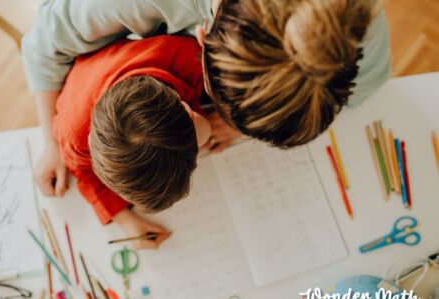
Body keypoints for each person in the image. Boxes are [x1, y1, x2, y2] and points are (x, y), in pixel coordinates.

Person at [22, 0, 390, 199]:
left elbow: (361, 92)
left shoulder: (353, 29)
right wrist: (52, 143)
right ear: (201, 39)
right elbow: (41, 47)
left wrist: (241, 130)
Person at [53, 35, 216, 248]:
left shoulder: (192, 60)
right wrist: (124, 218)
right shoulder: (74, 134)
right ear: (91, 142)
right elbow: (82, 170)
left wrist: (210, 127)